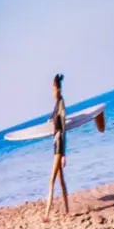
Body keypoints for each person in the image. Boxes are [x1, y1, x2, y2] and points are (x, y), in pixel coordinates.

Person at [44, 73, 70, 220]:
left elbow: (64, 128)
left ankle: (46, 214)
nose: (53, 92)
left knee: (51, 181)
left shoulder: (61, 104)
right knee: (61, 181)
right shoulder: (56, 105)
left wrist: (64, 154)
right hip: (55, 143)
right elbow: (52, 118)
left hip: (59, 144)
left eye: (54, 89)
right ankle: (67, 211)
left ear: (58, 90)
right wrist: (49, 120)